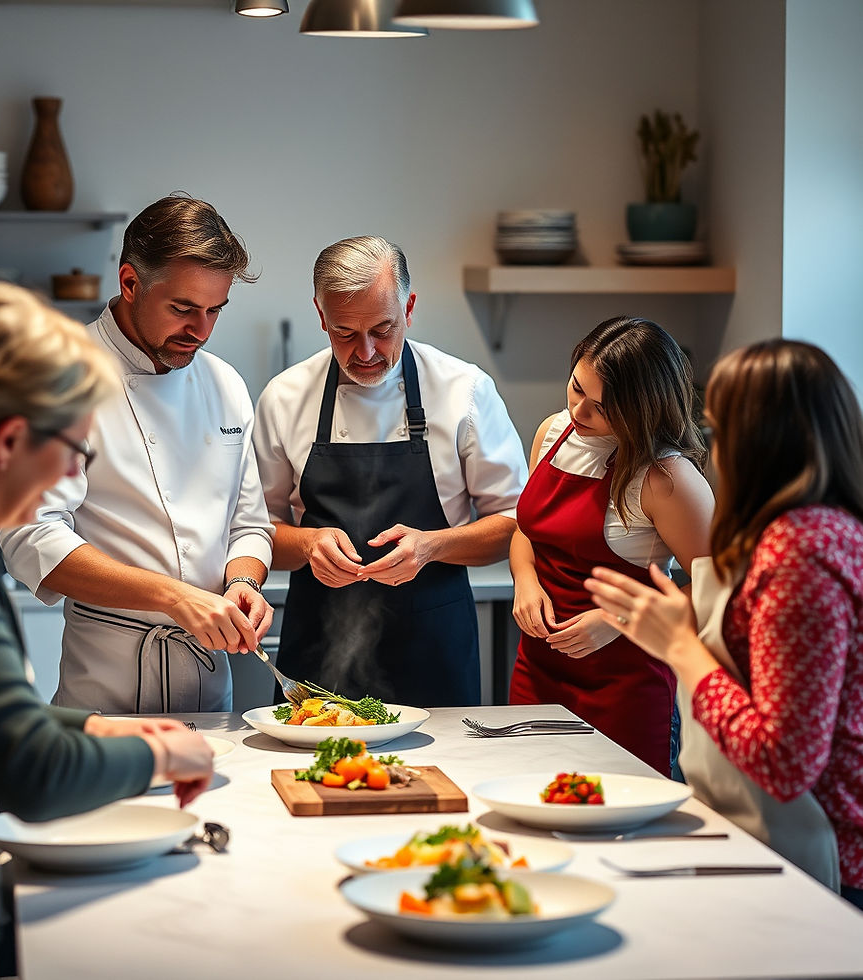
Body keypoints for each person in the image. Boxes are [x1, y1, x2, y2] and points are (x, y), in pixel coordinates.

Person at [0, 284, 215, 980]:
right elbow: (31, 774)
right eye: (75, 451)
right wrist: (167, 756)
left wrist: (98, 728)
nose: (73, 473)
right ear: (8, 440)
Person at [587, 339, 863, 908]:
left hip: (817, 864)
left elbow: (784, 763)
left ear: (756, 441)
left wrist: (681, 647)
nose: (714, 448)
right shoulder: (818, 529)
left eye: (720, 428)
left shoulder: (800, 558)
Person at [0, 196, 275, 714]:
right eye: (183, 308)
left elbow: (249, 525)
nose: (202, 330)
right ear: (130, 283)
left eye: (215, 309)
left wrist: (241, 582)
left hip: (211, 701)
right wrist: (174, 597)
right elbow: (30, 537)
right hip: (104, 696)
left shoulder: (226, 384)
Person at [253, 236, 527, 707]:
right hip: (317, 649)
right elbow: (253, 532)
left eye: (383, 329)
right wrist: (306, 544)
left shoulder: (465, 392)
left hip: (433, 649)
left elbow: (515, 525)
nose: (365, 352)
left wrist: (433, 546)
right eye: (344, 333)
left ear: (409, 308)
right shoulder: (285, 397)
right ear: (320, 316)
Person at [510, 316, 715, 776]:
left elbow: (716, 591)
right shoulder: (552, 433)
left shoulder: (668, 479)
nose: (579, 412)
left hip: (625, 685)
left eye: (601, 407)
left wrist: (618, 619)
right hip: (537, 670)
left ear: (643, 408)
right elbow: (527, 530)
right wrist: (524, 582)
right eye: (577, 387)